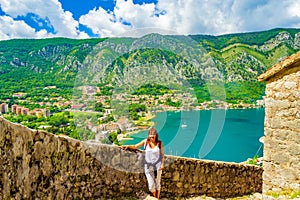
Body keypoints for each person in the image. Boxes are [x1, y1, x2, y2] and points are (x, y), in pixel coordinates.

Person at [122, 127, 164, 199]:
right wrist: (128, 146)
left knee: (157, 183)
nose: (152, 137)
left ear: (156, 135)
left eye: (153, 135)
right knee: (151, 186)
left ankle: (157, 198)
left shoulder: (159, 143)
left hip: (158, 166)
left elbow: (162, 155)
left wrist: (162, 164)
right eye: (150, 135)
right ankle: (155, 198)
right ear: (148, 135)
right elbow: (135, 146)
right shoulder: (145, 142)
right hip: (148, 166)